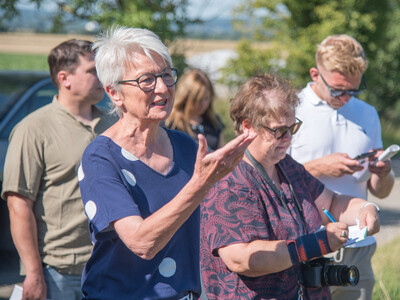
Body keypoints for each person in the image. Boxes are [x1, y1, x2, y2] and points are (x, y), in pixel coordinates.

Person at [77, 26, 255, 299]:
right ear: (114, 93)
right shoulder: (101, 158)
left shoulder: (186, 146)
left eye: (166, 75)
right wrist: (200, 184)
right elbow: (141, 243)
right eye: (146, 80)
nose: (162, 88)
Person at [200, 73, 380, 300]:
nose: (287, 138)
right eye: (278, 131)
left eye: (291, 128)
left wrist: (365, 209)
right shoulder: (228, 178)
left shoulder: (285, 164)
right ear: (248, 127)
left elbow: (331, 203)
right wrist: (315, 244)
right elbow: (242, 258)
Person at [1, 39, 116, 300]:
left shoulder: (114, 124)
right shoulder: (33, 129)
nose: (102, 76)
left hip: (111, 266)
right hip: (59, 272)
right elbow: (19, 206)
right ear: (65, 78)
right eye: (92, 70)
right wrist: (33, 273)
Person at [288, 34, 394, 300]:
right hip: (307, 246)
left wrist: (383, 174)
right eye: (338, 90)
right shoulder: (291, 110)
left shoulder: (368, 113)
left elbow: (380, 192)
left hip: (358, 247)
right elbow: (268, 175)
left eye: (354, 90)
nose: (346, 98)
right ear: (315, 74)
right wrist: (319, 167)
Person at [165, 68, 224, 151]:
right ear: (185, 97)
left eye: (206, 98)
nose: (203, 104)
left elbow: (220, 151)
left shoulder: (215, 122)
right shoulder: (171, 124)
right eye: (198, 100)